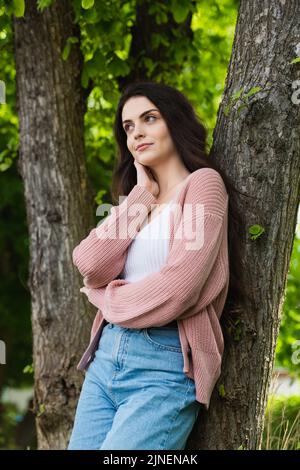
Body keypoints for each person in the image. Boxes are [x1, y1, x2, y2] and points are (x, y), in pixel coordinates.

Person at [67, 81, 230, 450]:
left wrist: (108, 299)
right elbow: (89, 264)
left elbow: (179, 288)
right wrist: (141, 196)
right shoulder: (137, 200)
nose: (137, 131)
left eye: (149, 118)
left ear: (173, 122)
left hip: (164, 365)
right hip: (106, 357)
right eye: (128, 126)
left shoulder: (203, 186)